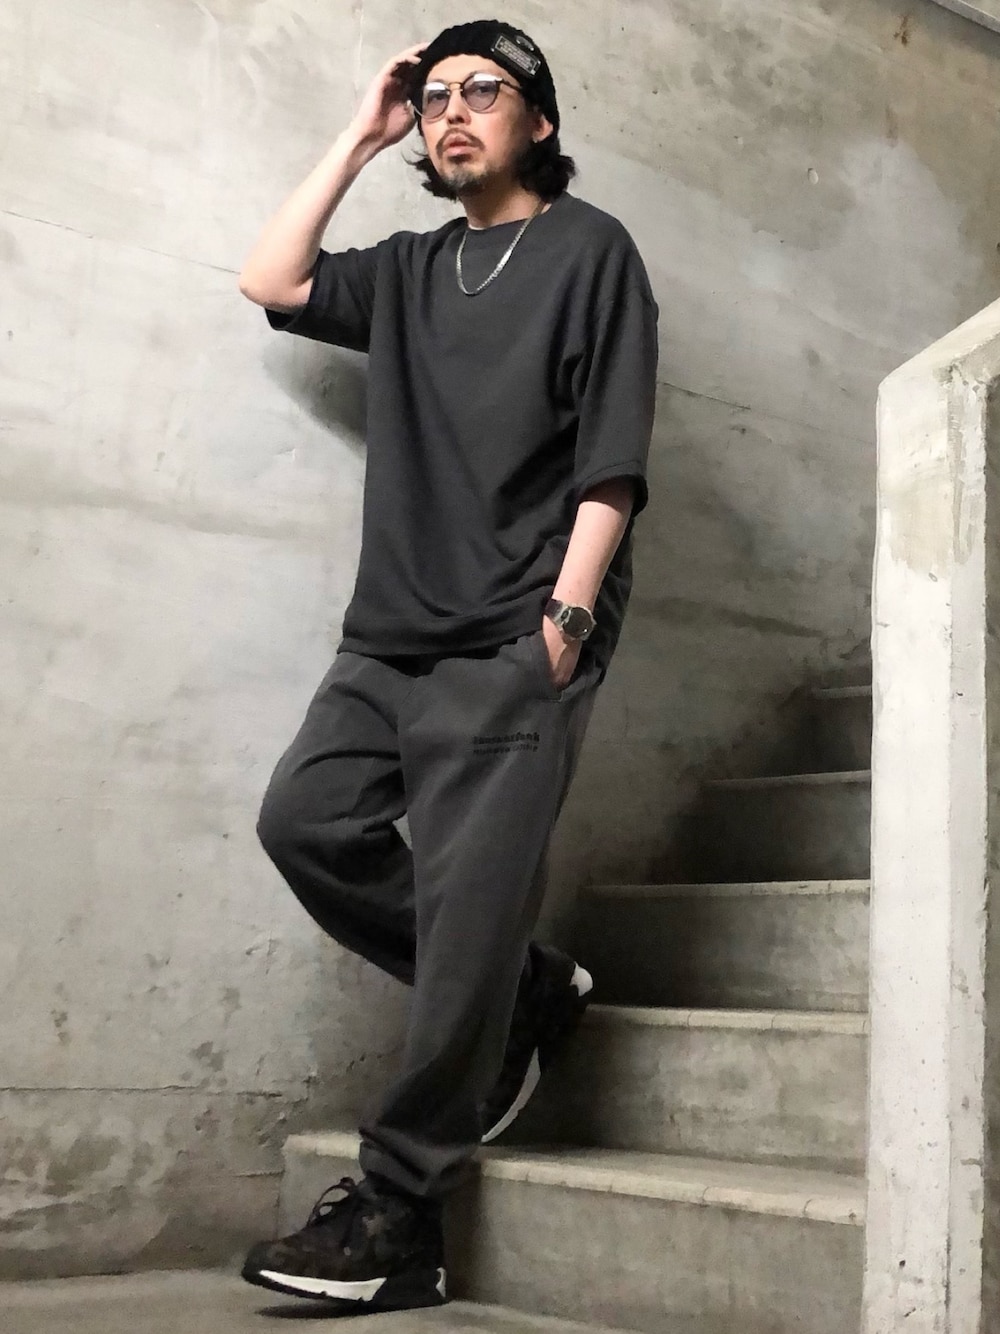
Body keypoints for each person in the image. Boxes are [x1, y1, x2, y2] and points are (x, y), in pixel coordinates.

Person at [237, 18, 658, 1313]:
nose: (452, 112)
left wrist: (564, 623)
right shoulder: (413, 268)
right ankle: (523, 992)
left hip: (519, 627)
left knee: (469, 912)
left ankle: (400, 1215)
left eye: (484, 90)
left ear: (540, 119)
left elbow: (613, 454)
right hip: (392, 629)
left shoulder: (590, 250)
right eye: (432, 99)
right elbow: (270, 277)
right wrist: (359, 136)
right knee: (307, 821)